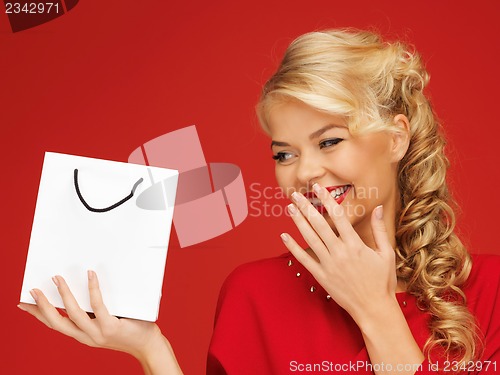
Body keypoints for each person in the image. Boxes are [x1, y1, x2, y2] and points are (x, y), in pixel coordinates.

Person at [18, 28, 500, 375]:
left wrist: (374, 309)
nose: (305, 172)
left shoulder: (490, 292)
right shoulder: (254, 294)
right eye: (285, 153)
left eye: (329, 141)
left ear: (396, 139)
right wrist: (151, 349)